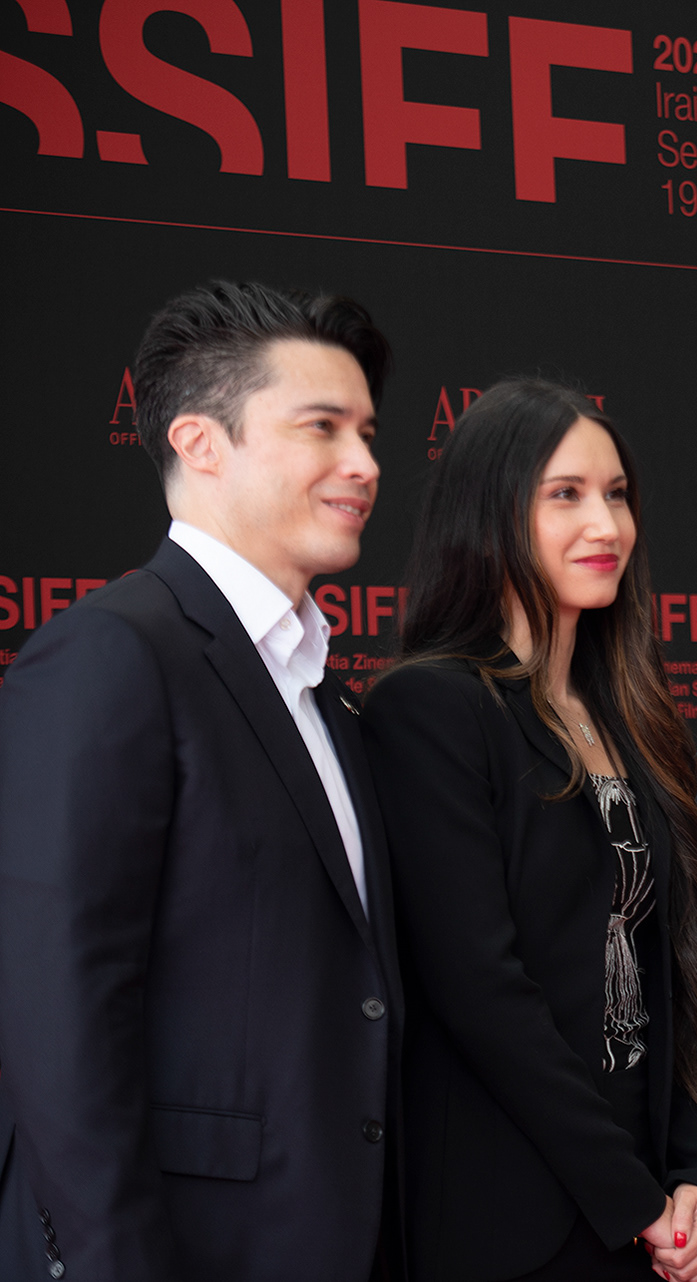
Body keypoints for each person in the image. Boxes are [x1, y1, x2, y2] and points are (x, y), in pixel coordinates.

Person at [0, 280, 402, 1279]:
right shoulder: (109, 653)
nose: (364, 464)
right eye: (322, 427)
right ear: (199, 442)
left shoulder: (324, 691)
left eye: (366, 432)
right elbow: (58, 1011)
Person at [361, 380, 697, 1282]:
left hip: (651, 1214)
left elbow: (677, 970)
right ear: (489, 511)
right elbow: (480, 993)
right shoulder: (431, 707)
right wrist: (632, 1198)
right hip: (511, 1220)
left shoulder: (634, 720)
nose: (606, 525)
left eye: (617, 494)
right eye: (565, 494)